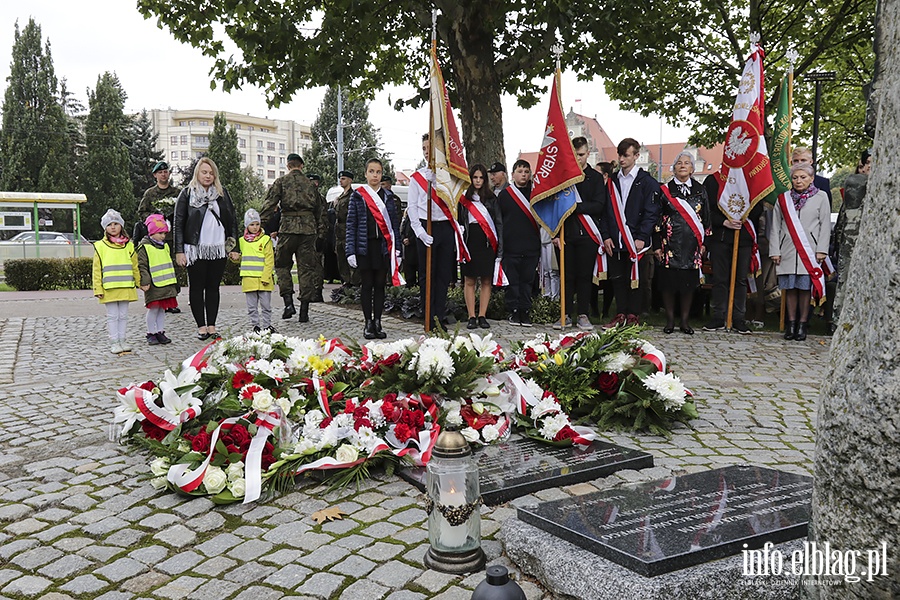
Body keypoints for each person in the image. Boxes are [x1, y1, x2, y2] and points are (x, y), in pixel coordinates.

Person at [173, 157, 239, 341]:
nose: (208, 176)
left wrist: (234, 247)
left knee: (213, 288)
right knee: (196, 288)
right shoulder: (187, 194)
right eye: (204, 172)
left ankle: (212, 325)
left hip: (218, 248)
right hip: (195, 248)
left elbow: (232, 221)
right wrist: (179, 251)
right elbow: (178, 223)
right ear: (197, 173)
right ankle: (201, 327)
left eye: (211, 173)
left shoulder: (222, 193)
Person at [600, 138, 661, 326]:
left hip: (636, 240)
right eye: (619, 154)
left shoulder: (647, 182)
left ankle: (634, 314)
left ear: (636, 156)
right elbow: (604, 211)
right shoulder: (612, 181)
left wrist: (642, 237)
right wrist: (606, 236)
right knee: (618, 278)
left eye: (626, 155)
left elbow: (652, 212)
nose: (621, 159)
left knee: (637, 278)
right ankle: (620, 313)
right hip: (616, 238)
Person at [259, 153, 327, 323]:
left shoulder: (281, 182)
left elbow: (269, 204)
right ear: (301, 166)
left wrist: (260, 225)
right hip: (308, 230)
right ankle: (304, 310)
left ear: (288, 166)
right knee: (306, 269)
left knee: (282, 265)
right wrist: (321, 232)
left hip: (287, 228)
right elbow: (321, 210)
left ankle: (288, 303)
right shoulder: (311, 185)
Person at [769, 163, 831, 341]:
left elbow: (825, 226)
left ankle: (803, 324)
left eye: (803, 177)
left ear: (811, 178)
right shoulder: (784, 199)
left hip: (810, 252)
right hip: (787, 250)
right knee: (789, 288)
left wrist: (821, 250)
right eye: (795, 177)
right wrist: (775, 250)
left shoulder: (821, 197)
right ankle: (791, 324)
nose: (798, 181)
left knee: (804, 288)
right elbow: (775, 227)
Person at [553, 137, 607, 330]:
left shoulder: (595, 177)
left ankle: (583, 314)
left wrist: (576, 206)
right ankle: (565, 314)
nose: (578, 158)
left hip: (588, 234)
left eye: (581, 154)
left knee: (584, 276)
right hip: (566, 235)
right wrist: (555, 234)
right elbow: (555, 207)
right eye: (574, 154)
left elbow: (599, 205)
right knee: (566, 277)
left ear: (588, 153)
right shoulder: (564, 178)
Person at [653, 152, 710, 334]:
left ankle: (684, 321)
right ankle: (670, 321)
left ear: (693, 169)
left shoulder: (700, 190)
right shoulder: (665, 190)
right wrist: (656, 245)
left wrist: (704, 243)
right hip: (669, 244)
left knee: (688, 284)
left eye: (687, 163)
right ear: (674, 168)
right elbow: (656, 219)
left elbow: (706, 219)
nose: (683, 165)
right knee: (668, 284)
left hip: (692, 246)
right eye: (679, 163)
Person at [345, 158, 402, 339]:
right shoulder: (358, 195)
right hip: (365, 246)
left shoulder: (388, 197)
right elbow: (351, 224)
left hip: (383, 247)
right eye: (371, 171)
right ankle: (368, 322)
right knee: (367, 285)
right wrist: (350, 251)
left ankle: (378, 321)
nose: (375, 175)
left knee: (380, 285)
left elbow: (394, 225)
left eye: (378, 172)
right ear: (365, 174)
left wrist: (398, 249)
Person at [702, 171, 764, 334]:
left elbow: (758, 207)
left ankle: (738, 318)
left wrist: (742, 215)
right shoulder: (713, 180)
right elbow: (706, 210)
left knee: (740, 280)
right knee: (720, 279)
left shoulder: (749, 180)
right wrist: (723, 222)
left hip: (743, 238)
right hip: (720, 238)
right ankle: (719, 316)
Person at [408, 133, 456, 330]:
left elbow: (454, 200)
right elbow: (411, 206)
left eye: (430, 149)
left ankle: (439, 316)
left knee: (444, 275)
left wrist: (437, 181)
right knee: (427, 274)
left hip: (444, 226)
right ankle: (427, 316)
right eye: (424, 149)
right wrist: (419, 231)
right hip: (425, 227)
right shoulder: (417, 178)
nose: (427, 153)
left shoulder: (449, 176)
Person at [458, 163, 503, 329]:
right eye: (475, 177)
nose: (478, 181)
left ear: (485, 180)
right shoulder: (463, 199)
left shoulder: (491, 199)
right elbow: (459, 223)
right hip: (471, 241)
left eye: (481, 178)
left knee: (486, 280)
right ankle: (471, 316)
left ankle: (482, 315)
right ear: (470, 179)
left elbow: (498, 224)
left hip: (487, 242)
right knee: (469, 280)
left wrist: (500, 249)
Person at [498, 159, 541, 326]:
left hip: (531, 245)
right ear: (513, 174)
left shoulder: (536, 194)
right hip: (511, 245)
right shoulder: (505, 195)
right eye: (520, 171)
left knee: (527, 280)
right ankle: (514, 310)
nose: (523, 175)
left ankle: (525, 310)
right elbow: (499, 221)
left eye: (526, 172)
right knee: (513, 281)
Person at [92, 209, 140, 354]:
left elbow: (135, 266)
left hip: (126, 286)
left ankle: (122, 340)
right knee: (113, 316)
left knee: (124, 315)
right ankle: (114, 342)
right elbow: (96, 269)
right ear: (105, 228)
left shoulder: (129, 246)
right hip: (109, 288)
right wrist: (97, 288)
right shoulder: (100, 246)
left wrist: (140, 283)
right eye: (109, 224)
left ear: (122, 226)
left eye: (116, 223)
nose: (113, 227)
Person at [138, 160, 182, 313]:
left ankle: (172, 300)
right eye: (160, 172)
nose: (164, 175)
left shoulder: (177, 193)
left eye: (166, 172)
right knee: (158, 270)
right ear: (155, 175)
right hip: (156, 240)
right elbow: (142, 212)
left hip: (173, 237)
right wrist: (156, 219)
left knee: (173, 270)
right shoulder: (150, 194)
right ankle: (160, 299)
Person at [136, 214, 178, 346]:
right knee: (153, 309)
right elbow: (142, 265)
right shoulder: (144, 247)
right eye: (160, 233)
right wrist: (145, 281)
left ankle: (160, 331)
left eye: (164, 233)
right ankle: (151, 332)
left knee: (162, 309)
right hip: (153, 284)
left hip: (166, 283)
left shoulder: (165, 246)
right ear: (152, 232)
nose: (163, 236)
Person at [237, 209, 276, 333]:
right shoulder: (241, 241)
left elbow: (269, 260)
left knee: (266, 306)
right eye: (252, 224)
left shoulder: (265, 240)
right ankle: (255, 326)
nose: (255, 227)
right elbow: (241, 258)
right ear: (247, 225)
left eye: (257, 224)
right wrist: (235, 259)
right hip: (249, 279)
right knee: (252, 307)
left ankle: (267, 325)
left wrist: (266, 276)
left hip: (264, 280)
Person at [333, 170, 360, 288]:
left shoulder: (353, 196)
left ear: (350, 180)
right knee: (341, 259)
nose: (341, 180)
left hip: (348, 231)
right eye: (340, 178)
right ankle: (346, 281)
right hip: (339, 232)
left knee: (350, 258)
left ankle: (355, 283)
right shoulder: (339, 197)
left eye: (343, 178)